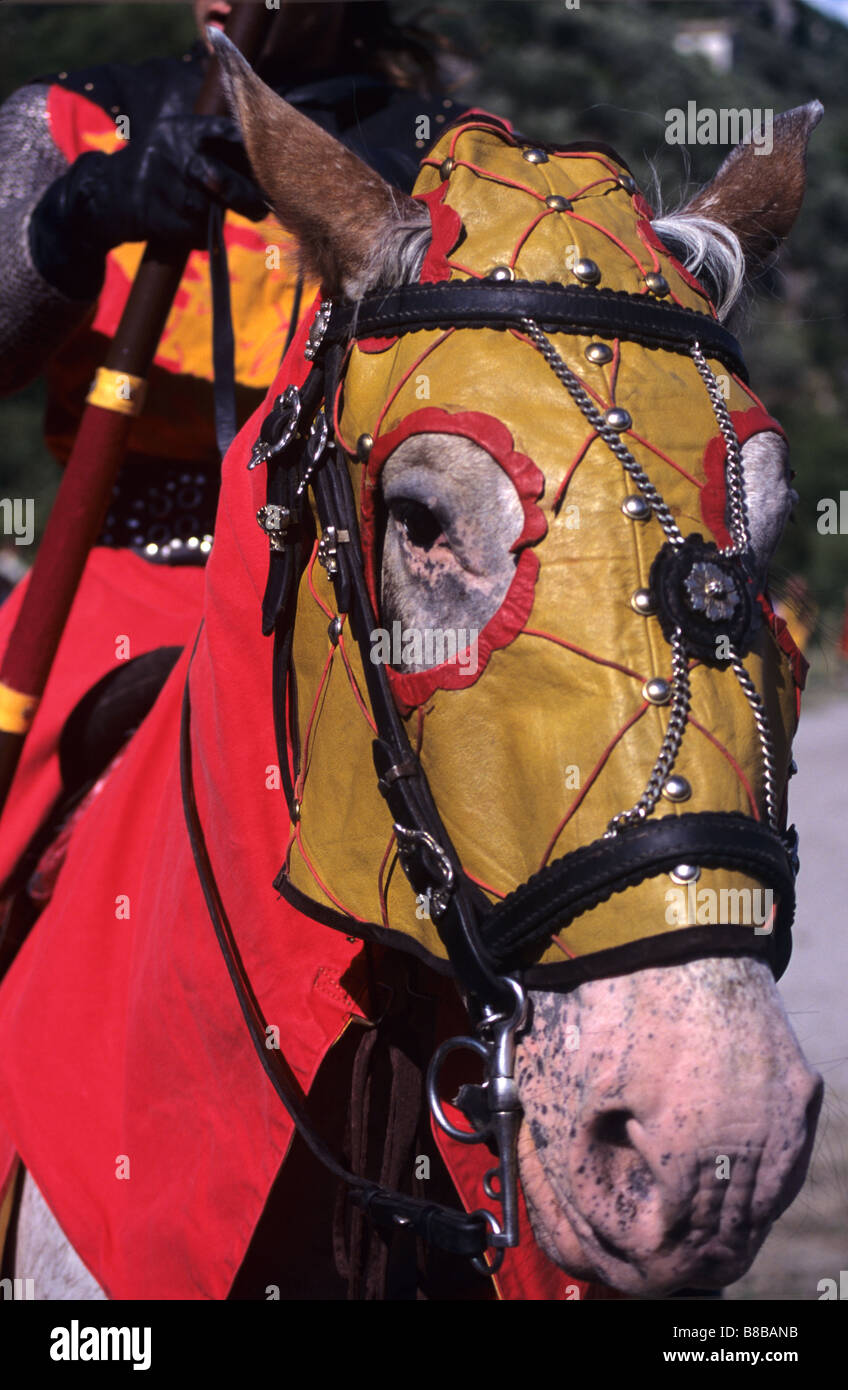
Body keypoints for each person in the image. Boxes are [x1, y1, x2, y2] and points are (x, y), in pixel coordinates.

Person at [0, 0, 464, 881]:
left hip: (364, 606)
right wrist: (79, 214)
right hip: (114, 584)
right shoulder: (80, 118)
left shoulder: (458, 159)